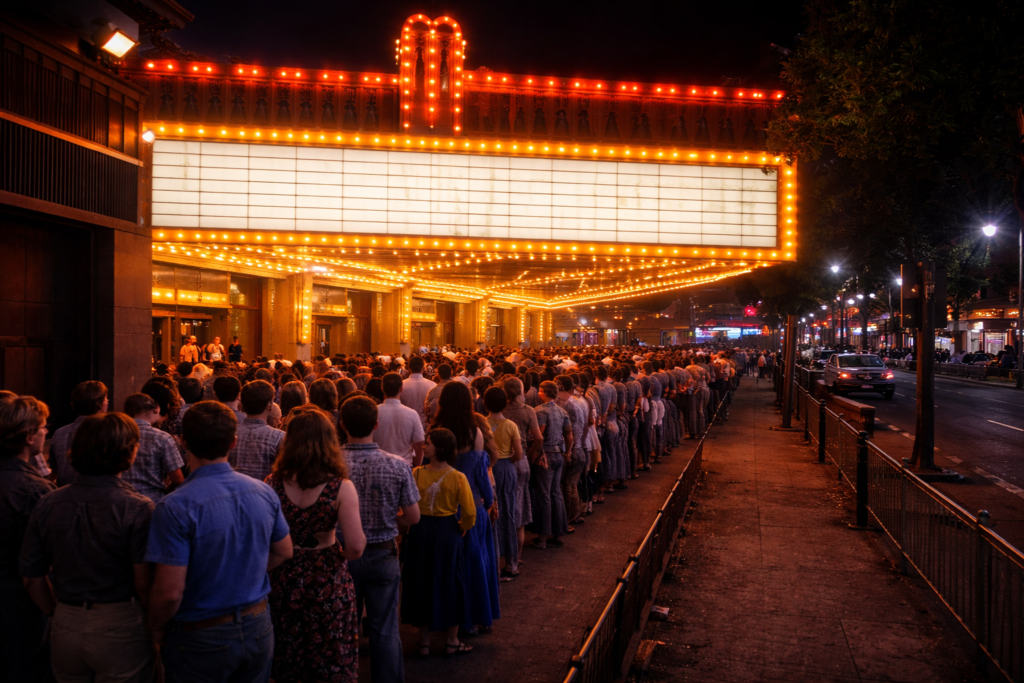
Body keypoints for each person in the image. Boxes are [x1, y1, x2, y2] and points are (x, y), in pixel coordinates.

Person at [145, 402, 294, 683]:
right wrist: (245, 572)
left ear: (184, 441)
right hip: (258, 623)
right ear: (233, 442)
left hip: (200, 633)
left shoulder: (175, 506)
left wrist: (155, 627)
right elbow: (284, 550)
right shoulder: (263, 491)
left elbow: (169, 592)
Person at [20, 413, 157, 683]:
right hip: (121, 622)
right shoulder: (137, 507)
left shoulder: (49, 502)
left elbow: (31, 577)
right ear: (129, 453)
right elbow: (143, 582)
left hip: (65, 621)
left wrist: (54, 613)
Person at [266, 406, 366, 683]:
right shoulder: (340, 487)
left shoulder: (272, 483)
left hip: (283, 574)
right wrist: (337, 554)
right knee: (330, 655)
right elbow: (356, 545)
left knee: (288, 653)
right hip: (327, 577)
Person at [339, 396, 420, 683]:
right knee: (384, 629)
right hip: (383, 552)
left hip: (342, 555)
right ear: (376, 424)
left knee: (343, 628)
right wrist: (390, 520)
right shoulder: (397, 465)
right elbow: (413, 516)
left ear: (342, 424)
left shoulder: (332, 465)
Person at [402, 428, 477, 657]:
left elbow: (407, 506)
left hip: (420, 531)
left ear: (439, 448)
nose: (423, 446)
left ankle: (424, 642)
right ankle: (451, 640)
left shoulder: (416, 474)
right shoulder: (457, 477)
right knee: (450, 582)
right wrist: (461, 529)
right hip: (447, 532)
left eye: (428, 443)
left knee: (419, 581)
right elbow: (470, 513)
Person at [0, 396, 55, 683]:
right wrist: (52, 610)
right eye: (44, 427)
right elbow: (35, 571)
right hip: (18, 604)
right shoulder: (35, 491)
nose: (47, 432)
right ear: (29, 435)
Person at [485, 386, 523, 579]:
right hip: (506, 467)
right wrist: (508, 461)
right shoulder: (510, 425)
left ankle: (492, 560)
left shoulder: (482, 424)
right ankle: (511, 563)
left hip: (487, 470)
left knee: (490, 512)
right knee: (507, 512)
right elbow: (520, 453)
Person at [530, 381, 573, 549]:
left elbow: (538, 435)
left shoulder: (540, 411)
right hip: (558, 455)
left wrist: (531, 452)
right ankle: (557, 532)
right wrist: (567, 452)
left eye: (540, 391)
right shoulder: (562, 412)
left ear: (544, 392)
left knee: (544, 495)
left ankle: (542, 538)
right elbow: (569, 435)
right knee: (556, 493)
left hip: (544, 457)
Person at [122, 393, 185, 504]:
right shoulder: (162, 438)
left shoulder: (116, 434)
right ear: (156, 409)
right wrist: (165, 491)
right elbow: (178, 479)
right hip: (152, 502)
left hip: (120, 501)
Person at [50, 380, 108, 487]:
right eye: (106, 399)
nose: (107, 401)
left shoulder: (59, 434)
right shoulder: (108, 431)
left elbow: (54, 472)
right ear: (101, 404)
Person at [231, 380, 286, 482]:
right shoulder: (279, 438)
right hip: (265, 494)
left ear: (242, 404)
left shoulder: (229, 433)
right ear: (270, 404)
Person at [374, 372, 425, 467]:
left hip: (379, 466)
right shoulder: (412, 414)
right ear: (401, 389)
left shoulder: (374, 412)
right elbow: (419, 445)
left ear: (382, 389)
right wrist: (416, 466)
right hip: (405, 465)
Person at [401, 356, 436, 429]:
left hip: (406, 424)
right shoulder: (433, 385)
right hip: (426, 425)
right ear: (423, 368)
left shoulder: (401, 385)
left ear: (409, 368)